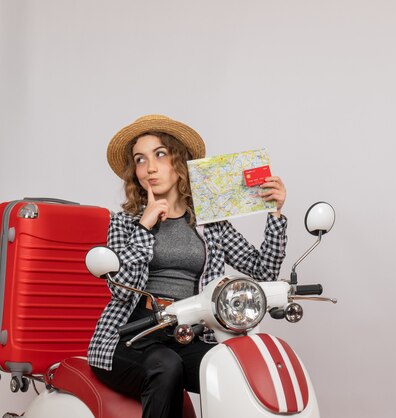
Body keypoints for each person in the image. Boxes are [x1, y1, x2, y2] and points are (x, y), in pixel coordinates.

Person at [87, 114, 287, 418]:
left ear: (180, 164)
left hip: (189, 330)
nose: (149, 168)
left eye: (160, 155)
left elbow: (263, 271)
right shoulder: (124, 223)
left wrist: (275, 215)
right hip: (131, 335)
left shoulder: (211, 226)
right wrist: (145, 225)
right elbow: (120, 289)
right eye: (140, 160)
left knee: (233, 367)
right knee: (166, 365)